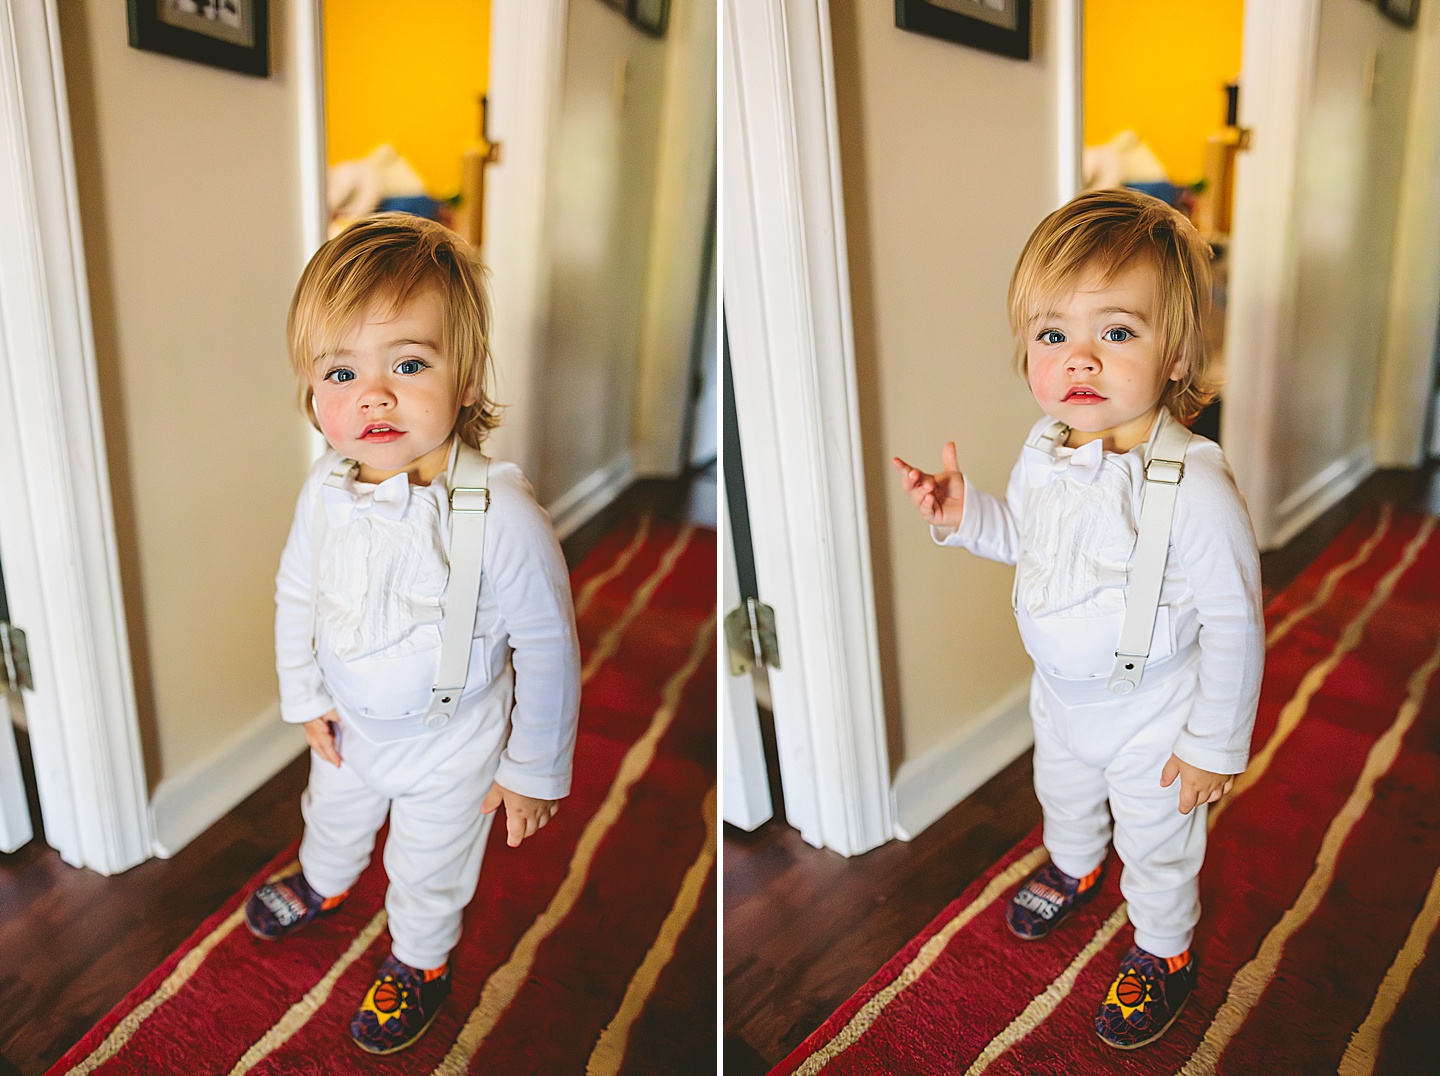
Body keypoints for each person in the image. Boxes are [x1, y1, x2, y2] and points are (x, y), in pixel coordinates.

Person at [892, 188, 1263, 1050]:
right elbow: (1026, 543)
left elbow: (1237, 625)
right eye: (1054, 335)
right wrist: (962, 515)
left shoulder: (1196, 488)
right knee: (1061, 793)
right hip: (1060, 698)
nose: (1080, 361)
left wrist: (1212, 745)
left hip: (1155, 713)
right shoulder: (1045, 450)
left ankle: (1164, 952)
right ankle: (1075, 863)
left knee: (1159, 839)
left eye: (1118, 333)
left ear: (1176, 356)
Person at [243, 213, 581, 1055]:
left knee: (428, 868)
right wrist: (305, 694)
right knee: (331, 815)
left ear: (465, 377)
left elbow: (547, 647)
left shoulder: (499, 513)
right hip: (353, 724)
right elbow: (298, 590)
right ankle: (322, 882)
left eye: (408, 362)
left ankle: (421, 962)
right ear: (312, 393)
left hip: (450, 742)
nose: (376, 393)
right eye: (342, 370)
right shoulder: (324, 489)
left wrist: (532, 768)